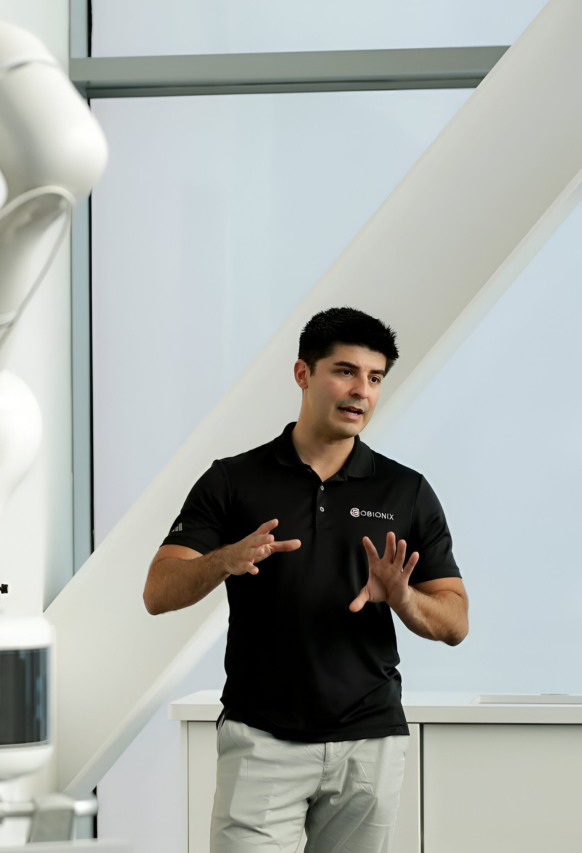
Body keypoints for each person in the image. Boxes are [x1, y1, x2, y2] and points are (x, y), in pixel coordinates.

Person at [144, 307, 468, 853]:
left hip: (368, 743)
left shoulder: (406, 491)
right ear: (303, 374)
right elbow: (159, 590)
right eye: (344, 371)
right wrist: (224, 559)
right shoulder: (233, 480)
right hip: (260, 741)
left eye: (374, 377)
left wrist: (403, 598)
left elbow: (455, 620)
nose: (360, 390)